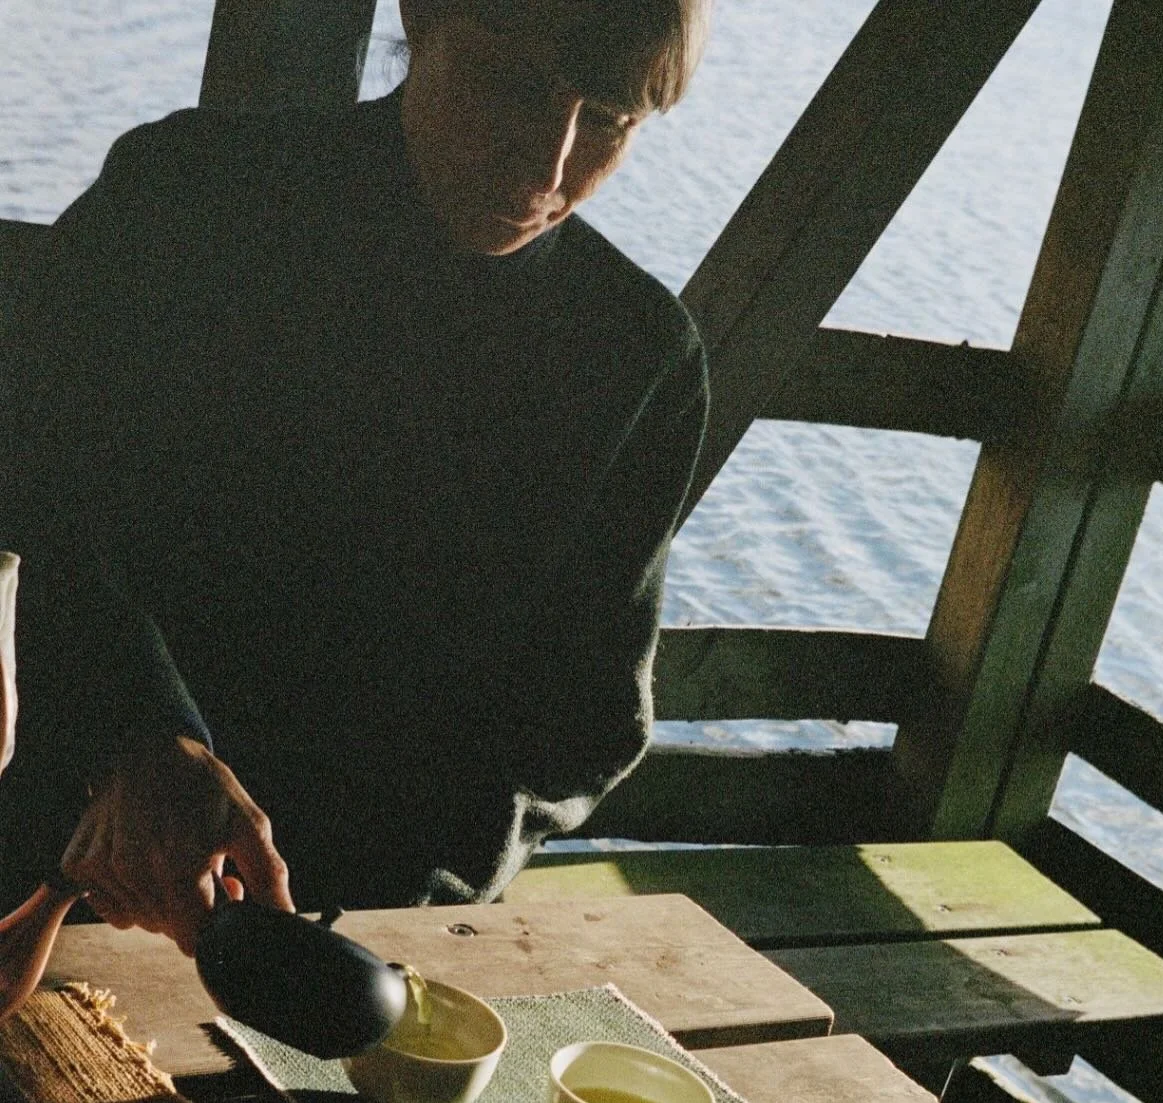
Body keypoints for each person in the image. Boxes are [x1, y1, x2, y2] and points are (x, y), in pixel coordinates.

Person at [0, 0, 711, 954]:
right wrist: (134, 735)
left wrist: (387, 912)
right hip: (46, 828)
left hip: (351, 912)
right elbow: (28, 486)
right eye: (512, 87)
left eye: (610, 120)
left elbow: (580, 721)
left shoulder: (637, 360)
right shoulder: (186, 197)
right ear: (424, 17)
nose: (547, 167)